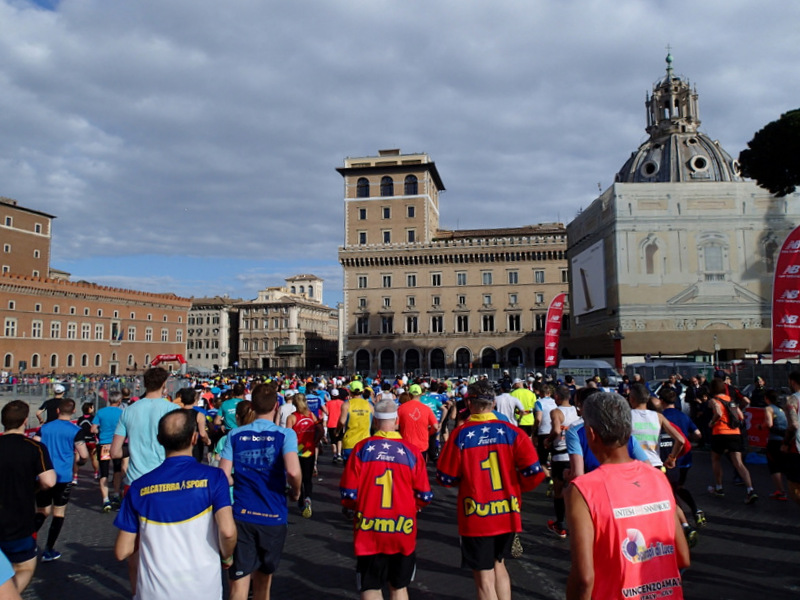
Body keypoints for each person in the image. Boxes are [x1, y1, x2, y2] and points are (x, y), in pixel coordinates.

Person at [566, 392, 690, 600]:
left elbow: (584, 578)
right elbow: (683, 558)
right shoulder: (658, 478)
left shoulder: (582, 489)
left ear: (591, 434)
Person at [437, 380, 546, 600]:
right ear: (493, 402)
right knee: (500, 566)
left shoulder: (461, 435)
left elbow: (445, 477)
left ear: (469, 402)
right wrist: (516, 488)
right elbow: (535, 472)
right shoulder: (512, 432)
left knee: (484, 579)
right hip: (507, 510)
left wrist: (466, 480)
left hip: (476, 513)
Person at [114, 409, 237, 600]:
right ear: (194, 438)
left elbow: (122, 551)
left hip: (154, 592)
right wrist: (227, 557)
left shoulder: (139, 487)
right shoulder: (214, 477)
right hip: (203, 589)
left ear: (159, 440)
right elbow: (228, 531)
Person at [340, 399, 433, 600]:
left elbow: (348, 493)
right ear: (397, 420)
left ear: (374, 422)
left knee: (370, 587)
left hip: (369, 528)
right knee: (398, 587)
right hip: (402, 527)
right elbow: (425, 495)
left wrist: (354, 508)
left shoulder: (361, 449)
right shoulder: (412, 452)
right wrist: (415, 506)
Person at [220, 383, 302, 600]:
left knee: (238, 583)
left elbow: (223, 476)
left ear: (252, 407)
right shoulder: (286, 435)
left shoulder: (235, 434)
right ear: (276, 405)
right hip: (272, 515)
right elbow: (293, 471)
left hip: (242, 514)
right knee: (263, 585)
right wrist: (296, 492)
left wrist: (236, 479)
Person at [0, 401, 55, 593]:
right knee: (23, 567)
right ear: (25, 421)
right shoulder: (34, 447)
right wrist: (34, 487)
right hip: (19, 520)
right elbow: (49, 481)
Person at [35, 398, 90, 562]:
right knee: (58, 513)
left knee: (42, 511)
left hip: (44, 474)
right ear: (74, 412)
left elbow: (36, 445)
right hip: (63, 477)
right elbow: (84, 454)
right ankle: (48, 549)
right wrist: (80, 461)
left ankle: (26, 540)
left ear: (58, 411)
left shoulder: (44, 428)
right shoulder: (75, 430)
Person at [707, 377, 757, 503]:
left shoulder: (714, 400)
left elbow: (718, 413)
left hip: (719, 432)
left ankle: (719, 487)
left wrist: (712, 422)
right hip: (734, 433)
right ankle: (750, 490)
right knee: (739, 463)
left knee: (715, 459)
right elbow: (740, 416)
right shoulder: (731, 400)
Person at [545, 385, 579, 538]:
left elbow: (557, 431)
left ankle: (561, 525)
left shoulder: (556, 412)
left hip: (559, 454)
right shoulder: (577, 411)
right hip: (575, 454)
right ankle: (577, 522)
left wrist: (548, 440)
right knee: (574, 490)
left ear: (556, 397)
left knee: (558, 491)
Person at [287, 394, 322, 518]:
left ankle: (301, 504)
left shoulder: (291, 418)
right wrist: (316, 441)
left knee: (299, 479)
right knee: (308, 479)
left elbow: (288, 435)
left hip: (296, 452)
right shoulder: (311, 415)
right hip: (310, 450)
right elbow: (321, 429)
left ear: (294, 404)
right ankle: (308, 498)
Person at [91, 392, 125, 512]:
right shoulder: (122, 413)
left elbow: (93, 429)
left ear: (109, 400)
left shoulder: (101, 412)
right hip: (117, 444)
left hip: (104, 444)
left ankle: (105, 500)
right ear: (119, 401)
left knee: (104, 472)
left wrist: (101, 432)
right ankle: (115, 494)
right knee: (116, 470)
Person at [397, 388, 438, 463]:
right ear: (420, 394)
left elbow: (396, 426)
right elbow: (435, 427)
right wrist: (429, 433)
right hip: (422, 445)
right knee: (420, 470)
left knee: (408, 469)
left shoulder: (401, 408)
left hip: (406, 444)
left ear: (409, 395)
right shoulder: (427, 409)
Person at [340, 381, 375, 462]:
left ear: (350, 392)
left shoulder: (346, 404)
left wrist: (337, 431)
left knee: (349, 470)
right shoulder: (369, 405)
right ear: (362, 391)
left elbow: (342, 422)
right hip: (365, 442)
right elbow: (374, 424)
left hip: (350, 442)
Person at [763, 389, 788, 500]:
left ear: (767, 399)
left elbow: (769, 424)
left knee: (774, 467)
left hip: (774, 441)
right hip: (785, 439)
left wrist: (761, 426)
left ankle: (781, 492)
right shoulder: (781, 410)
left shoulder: (769, 408)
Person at [176, 387, 211, 463]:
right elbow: (202, 433)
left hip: (179, 446)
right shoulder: (199, 414)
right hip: (194, 447)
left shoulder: (176, 413)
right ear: (195, 399)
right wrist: (207, 441)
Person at [782, 371, 800, 507]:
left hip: (797, 448)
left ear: (792, 382)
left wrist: (786, 442)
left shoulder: (793, 399)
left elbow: (793, 424)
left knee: (794, 487)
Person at [75, 402, 99, 483]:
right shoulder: (94, 418)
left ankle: (75, 477)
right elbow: (96, 430)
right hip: (91, 441)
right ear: (89, 409)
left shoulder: (80, 419)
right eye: (92, 407)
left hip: (81, 441)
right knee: (93, 458)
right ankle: (96, 473)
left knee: (77, 458)